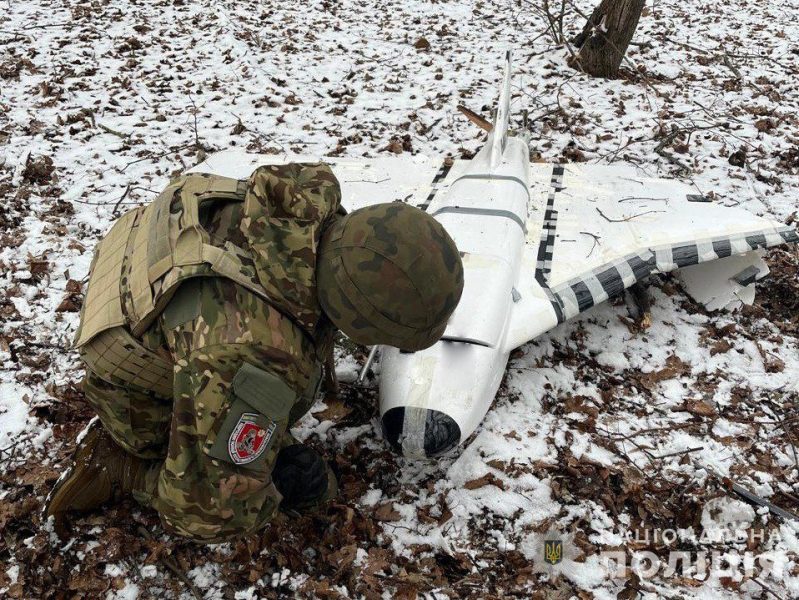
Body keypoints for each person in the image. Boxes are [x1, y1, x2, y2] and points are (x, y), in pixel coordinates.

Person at [44, 162, 463, 542]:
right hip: (135, 390)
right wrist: (280, 487)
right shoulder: (256, 352)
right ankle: (117, 465)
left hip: (145, 299)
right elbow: (205, 514)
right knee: (224, 504)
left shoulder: (304, 200)